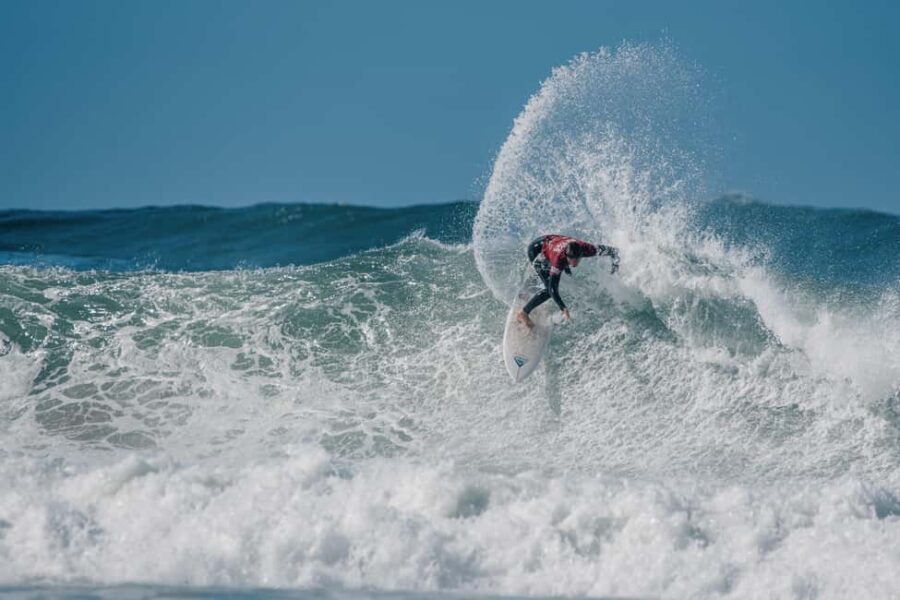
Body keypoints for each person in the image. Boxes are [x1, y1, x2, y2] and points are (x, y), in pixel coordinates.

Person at [516, 234, 620, 329]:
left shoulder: (588, 249)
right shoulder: (559, 260)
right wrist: (563, 308)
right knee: (548, 290)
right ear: (566, 256)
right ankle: (523, 313)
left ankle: (530, 288)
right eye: (571, 259)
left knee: (551, 275)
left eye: (576, 259)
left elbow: (614, 252)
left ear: (581, 255)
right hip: (536, 251)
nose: (574, 262)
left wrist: (614, 272)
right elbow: (553, 289)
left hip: (551, 243)